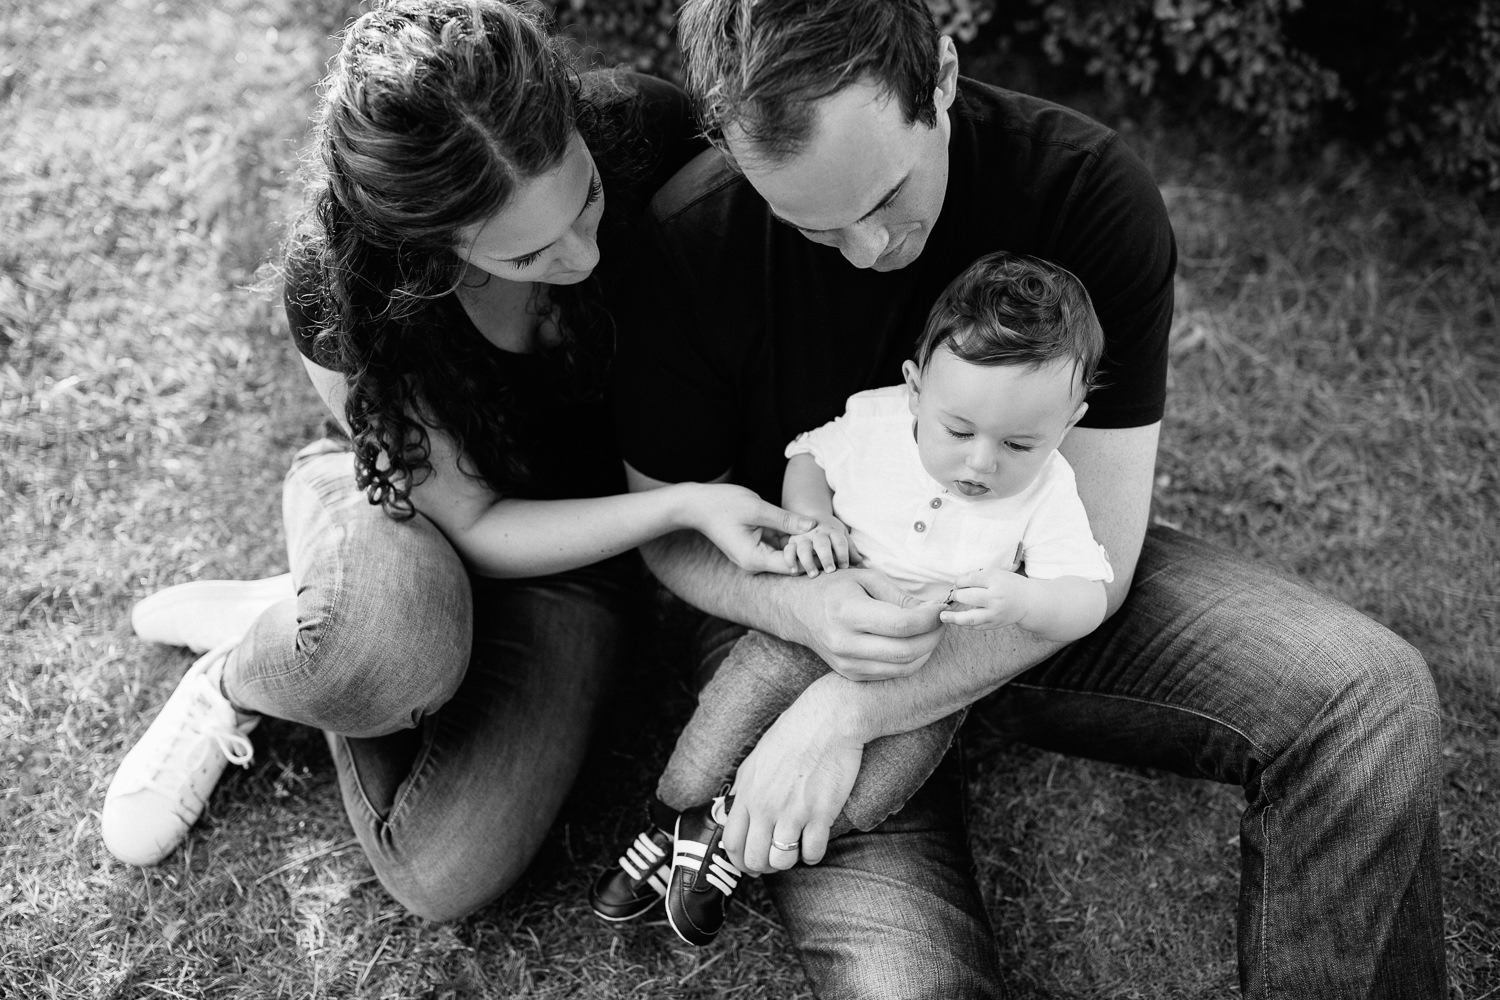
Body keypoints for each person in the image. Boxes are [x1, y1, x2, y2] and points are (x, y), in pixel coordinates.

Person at [607, 0, 1446, 996]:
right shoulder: (690, 240)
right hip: (810, 606)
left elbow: (1097, 546)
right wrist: (809, 616)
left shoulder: (1087, 192)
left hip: (1034, 595)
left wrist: (852, 707)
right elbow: (672, 528)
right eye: (809, 225)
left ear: (945, 77)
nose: (870, 249)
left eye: (885, 197)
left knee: (1370, 696)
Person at [99, 0, 812, 922]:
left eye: (586, 198)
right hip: (429, 514)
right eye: (527, 251)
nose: (584, 252)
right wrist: (677, 510)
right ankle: (245, 669)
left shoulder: (645, 123)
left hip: (584, 560)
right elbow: (469, 524)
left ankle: (309, 619)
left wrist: (685, 499)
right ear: (429, 245)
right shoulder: (346, 287)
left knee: (443, 871)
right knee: (385, 649)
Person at [592, 251, 1117, 948]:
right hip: (811, 624)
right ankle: (669, 820)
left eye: (1020, 443)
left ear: (1069, 421)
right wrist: (817, 522)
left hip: (919, 678)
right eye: (957, 431)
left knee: (872, 794)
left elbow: (1087, 598)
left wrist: (1024, 597)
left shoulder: (1048, 493)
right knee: (725, 715)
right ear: (915, 390)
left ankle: (717, 837)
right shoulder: (875, 422)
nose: (981, 464)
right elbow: (807, 456)